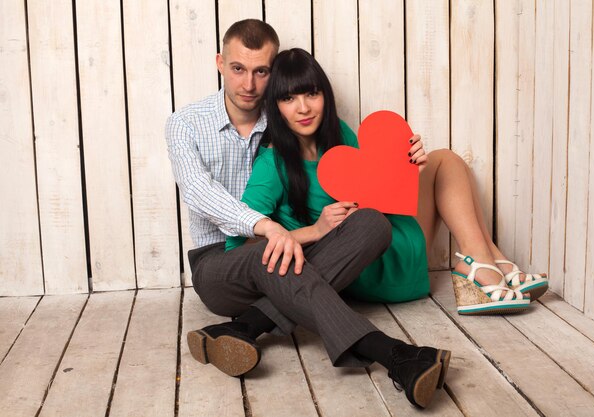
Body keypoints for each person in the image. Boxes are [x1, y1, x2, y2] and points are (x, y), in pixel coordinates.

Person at [166, 20, 450, 408]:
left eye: (261, 71)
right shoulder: (187, 124)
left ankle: (246, 327)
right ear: (220, 63)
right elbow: (200, 193)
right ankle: (395, 354)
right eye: (238, 69)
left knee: (369, 225)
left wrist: (404, 163)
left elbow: (371, 184)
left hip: (285, 258)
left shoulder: (287, 124)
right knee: (275, 253)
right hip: (223, 260)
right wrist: (286, 229)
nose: (248, 84)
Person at [226, 48, 548, 318]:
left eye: (312, 93)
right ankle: (484, 271)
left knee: (445, 160)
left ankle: (487, 260)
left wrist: (407, 171)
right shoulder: (272, 164)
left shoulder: (338, 134)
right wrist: (316, 230)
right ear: (276, 106)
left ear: (325, 95)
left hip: (394, 242)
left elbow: (378, 193)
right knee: (432, 177)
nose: (304, 108)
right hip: (365, 271)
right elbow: (239, 249)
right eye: (289, 98)